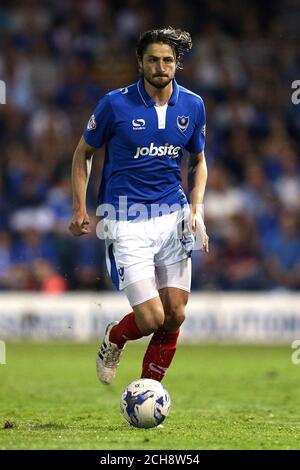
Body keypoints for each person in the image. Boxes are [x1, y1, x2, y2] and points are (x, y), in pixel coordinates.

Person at [69, 27, 209, 385]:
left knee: (175, 314)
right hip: (126, 218)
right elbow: (84, 152)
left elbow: (198, 160)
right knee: (149, 319)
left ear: (177, 64)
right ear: (140, 63)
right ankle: (114, 338)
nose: (161, 66)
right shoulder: (115, 104)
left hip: (172, 215)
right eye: (153, 60)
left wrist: (197, 210)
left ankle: (149, 389)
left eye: (167, 60)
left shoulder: (192, 105)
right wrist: (79, 207)